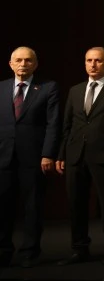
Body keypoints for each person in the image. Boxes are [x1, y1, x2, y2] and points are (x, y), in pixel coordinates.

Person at [57, 46, 104, 265]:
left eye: (98, 60)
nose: (93, 65)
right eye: (89, 60)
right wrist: (61, 154)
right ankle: (79, 249)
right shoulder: (75, 90)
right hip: (75, 154)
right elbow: (67, 125)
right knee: (76, 204)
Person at [0, 47, 59, 269]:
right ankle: (3, 251)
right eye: (18, 60)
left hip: (34, 158)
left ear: (35, 64)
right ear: (10, 64)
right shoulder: (1, 87)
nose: (23, 64)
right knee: (3, 206)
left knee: (33, 206)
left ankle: (30, 252)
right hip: (3, 157)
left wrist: (48, 154)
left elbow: (53, 123)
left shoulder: (48, 87)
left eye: (28, 60)